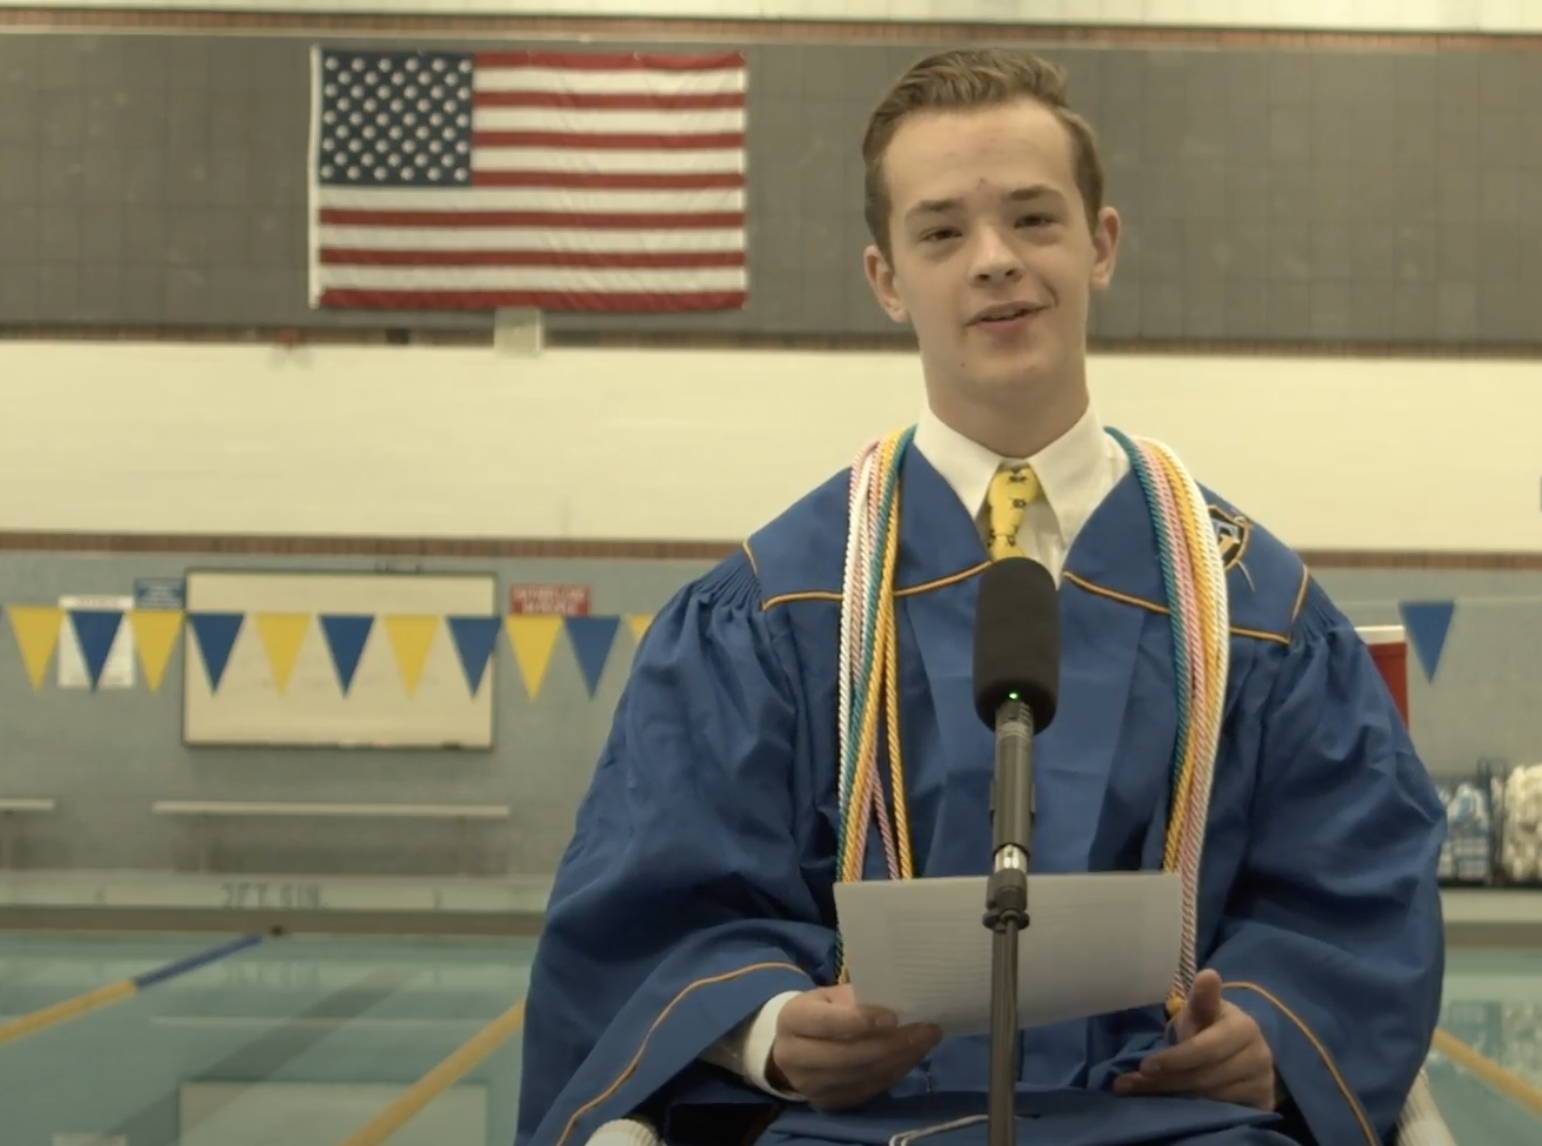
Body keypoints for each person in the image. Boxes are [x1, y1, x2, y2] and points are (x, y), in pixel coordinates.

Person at [516, 46, 1446, 1146]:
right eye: (942, 231)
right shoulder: (774, 608)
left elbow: (1354, 899)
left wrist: (1273, 1028)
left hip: (1174, 1127)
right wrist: (765, 1027)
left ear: (1100, 247)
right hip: (849, 1131)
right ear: (885, 276)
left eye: (1034, 220)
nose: (994, 261)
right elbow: (654, 908)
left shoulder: (1255, 606)